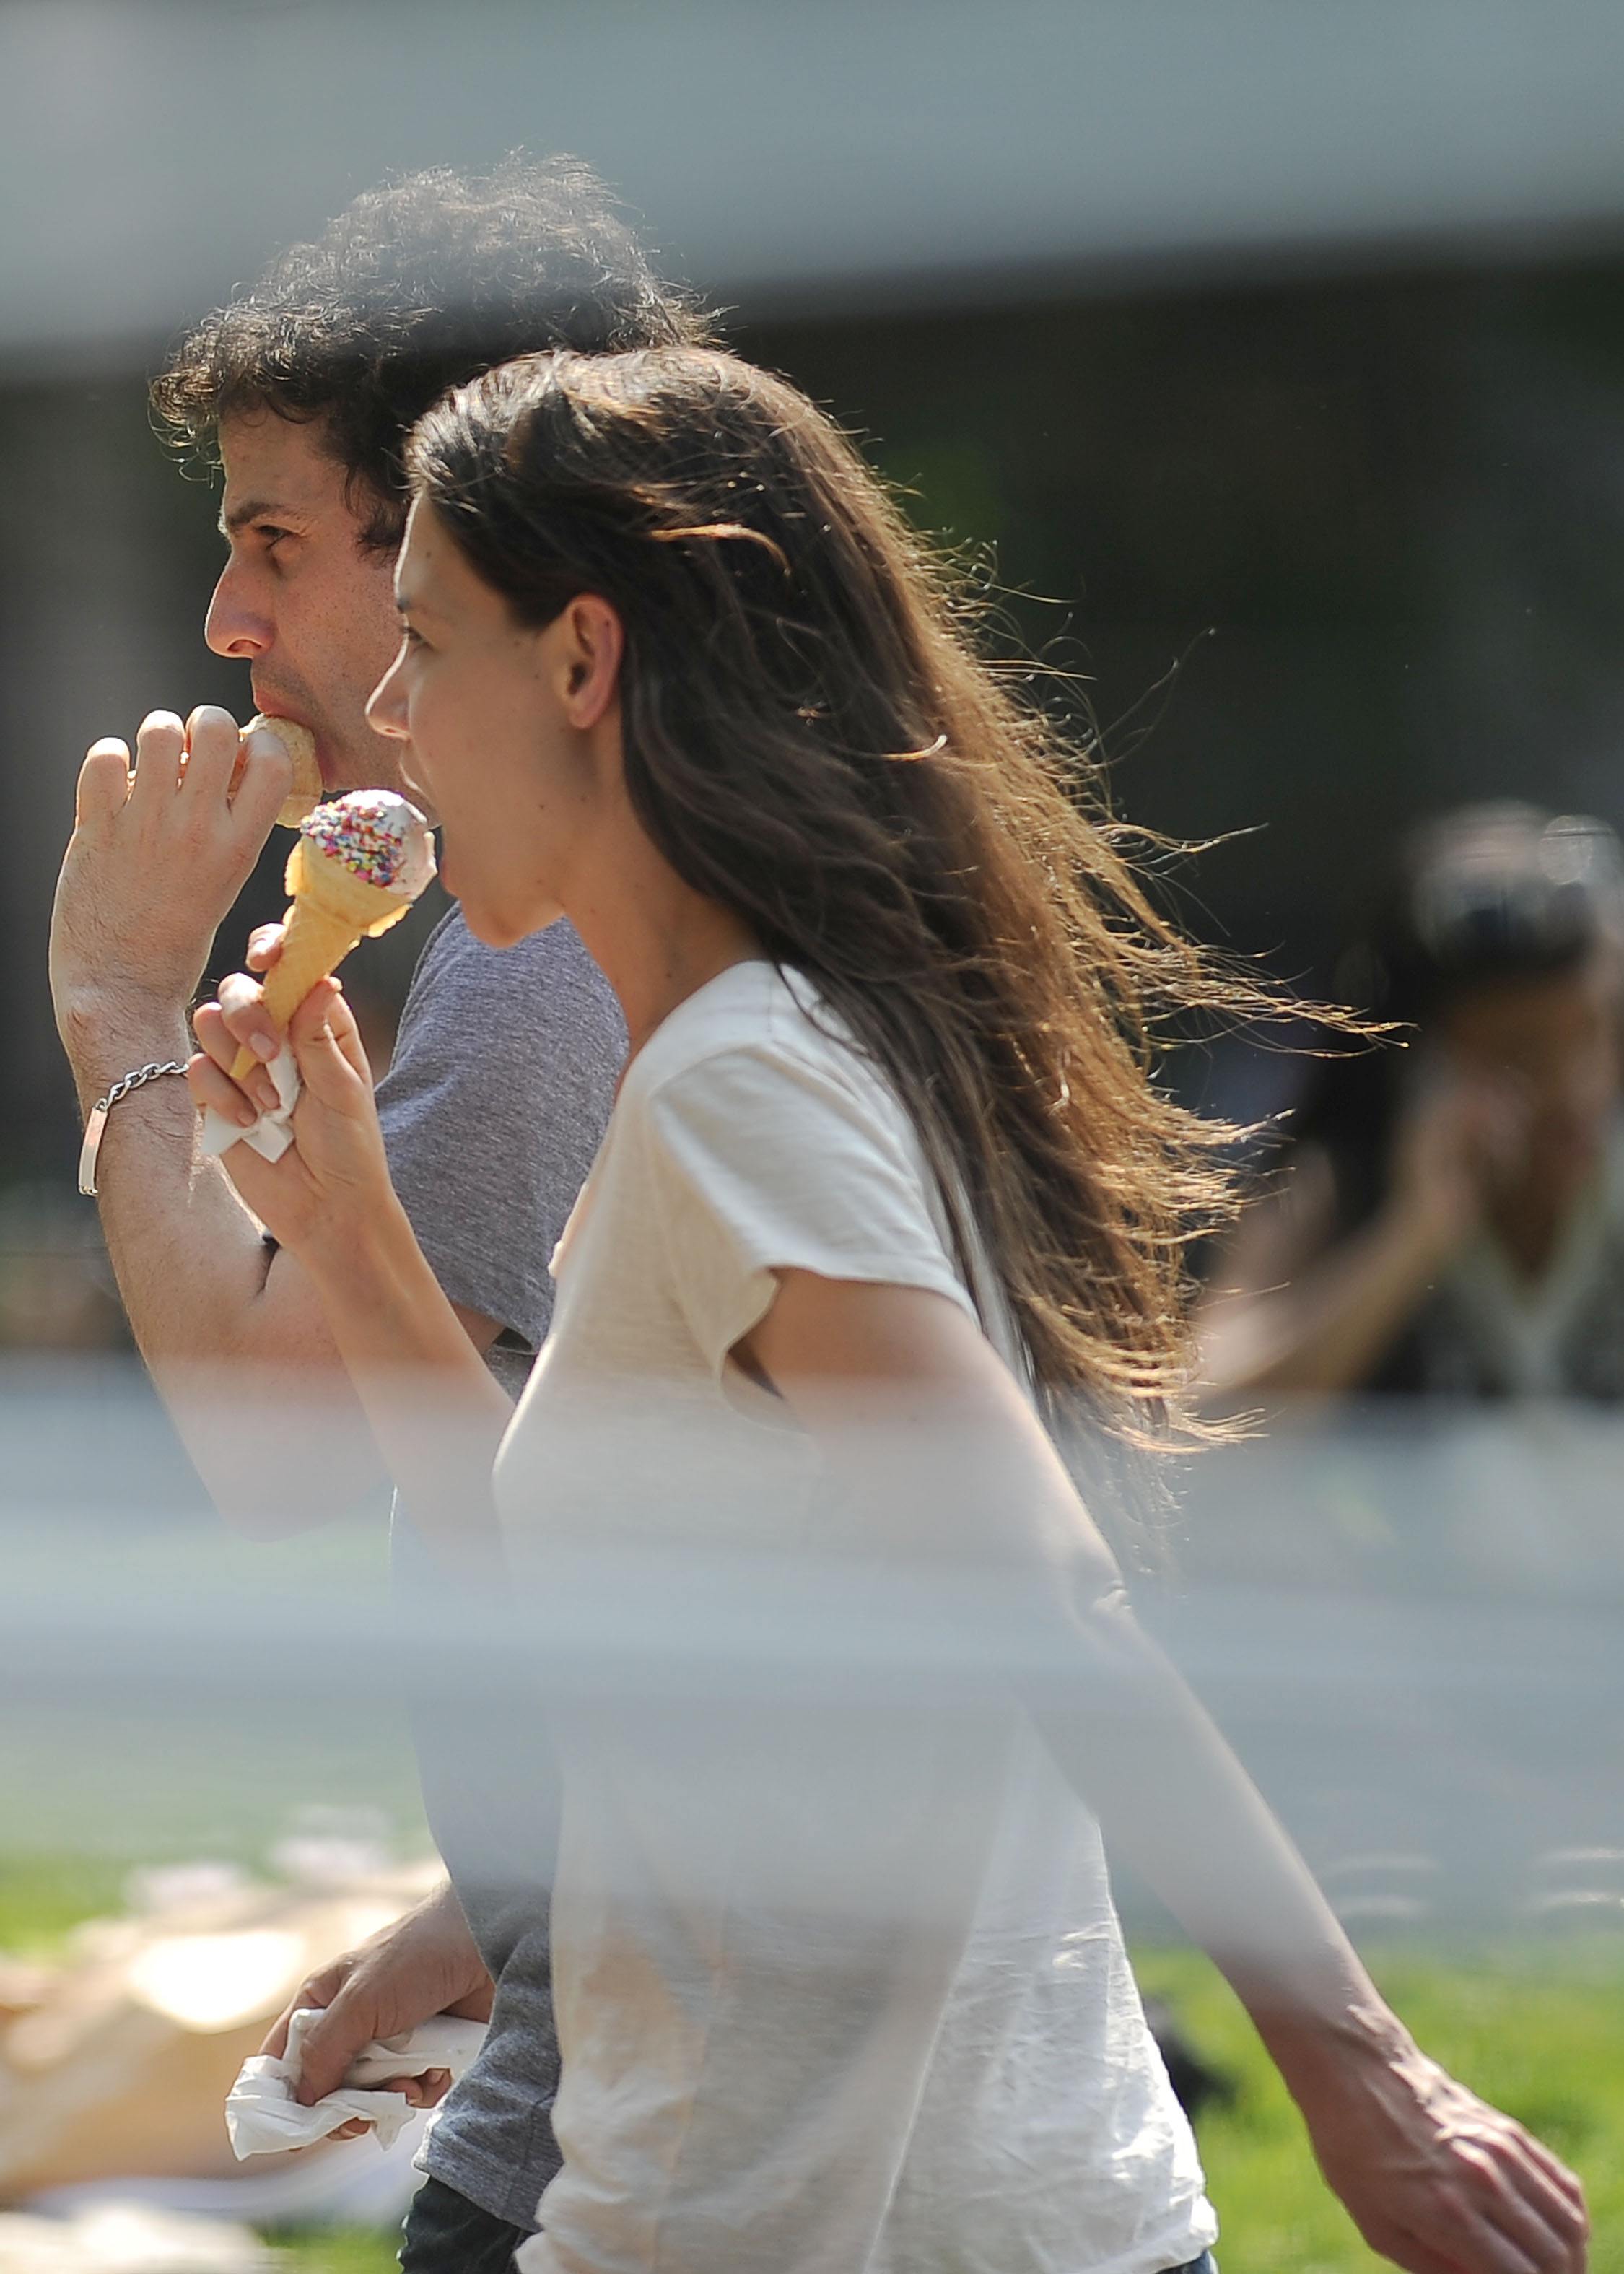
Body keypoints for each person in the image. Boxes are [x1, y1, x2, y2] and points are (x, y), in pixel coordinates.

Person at [187, 346, 1588, 2274]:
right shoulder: (739, 1055)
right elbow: (603, 1606)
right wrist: (348, 1229)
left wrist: (1362, 2073)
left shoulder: (744, 1080)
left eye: (426, 641)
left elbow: (1039, 1592)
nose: (398, 714)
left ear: (583, 660)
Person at [48, 158, 707, 2271]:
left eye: (276, 547)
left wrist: (119, 1002)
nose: (225, 624)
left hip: (684, 2124)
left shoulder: (547, 954)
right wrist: (489, 1898)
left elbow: (277, 1451)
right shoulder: (662, 874)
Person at [1200, 803, 1624, 1403]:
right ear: (1419, 1061)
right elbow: (1202, 1413)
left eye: (1596, 1034)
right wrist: (1411, 1240)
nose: (1575, 1090)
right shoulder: (1338, 1187)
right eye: (1520, 1054)